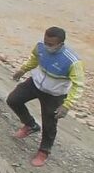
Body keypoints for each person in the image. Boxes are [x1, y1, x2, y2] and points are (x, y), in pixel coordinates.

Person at [7, 26, 80, 165]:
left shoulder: (72, 62)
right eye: (45, 41)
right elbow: (35, 58)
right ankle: (30, 125)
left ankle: (44, 151)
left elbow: (78, 85)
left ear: (60, 44)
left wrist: (66, 105)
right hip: (35, 84)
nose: (47, 46)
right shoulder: (41, 46)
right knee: (13, 100)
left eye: (50, 44)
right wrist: (23, 70)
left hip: (54, 94)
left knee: (49, 123)